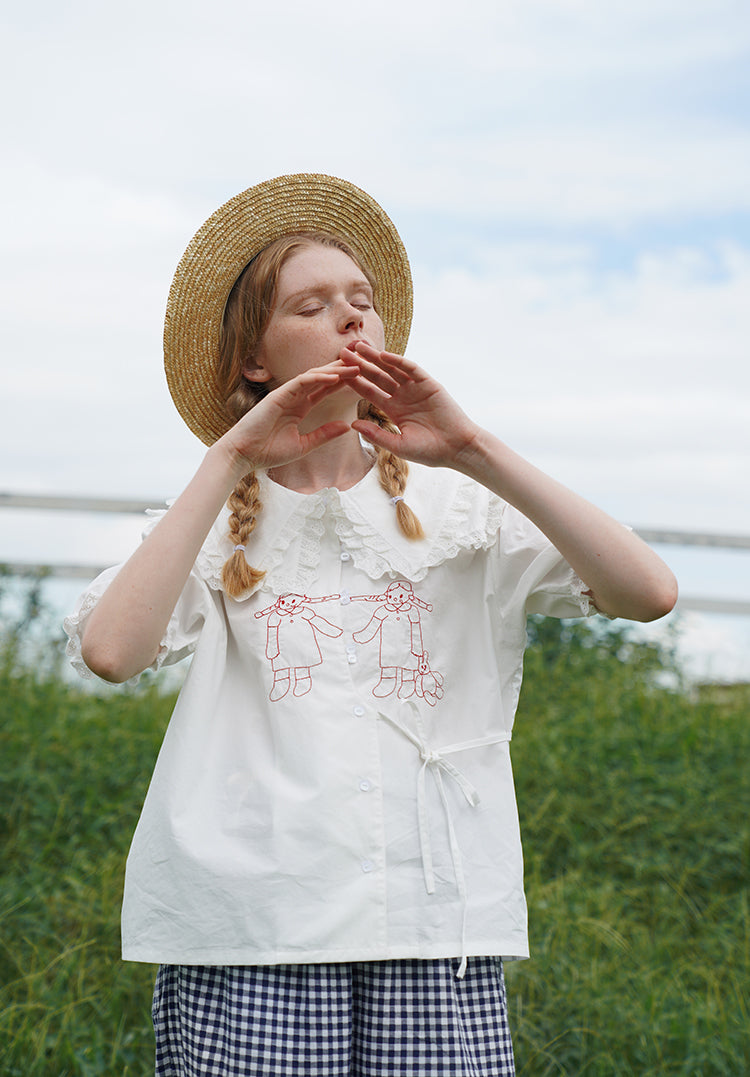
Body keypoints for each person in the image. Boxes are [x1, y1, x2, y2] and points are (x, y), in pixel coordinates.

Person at [65, 173, 677, 1076]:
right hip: (256, 934)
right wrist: (229, 451)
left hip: (434, 926)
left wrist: (472, 447)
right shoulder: (215, 514)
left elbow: (648, 591)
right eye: (312, 306)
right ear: (254, 361)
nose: (353, 319)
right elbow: (112, 651)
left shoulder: (458, 504)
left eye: (364, 302)